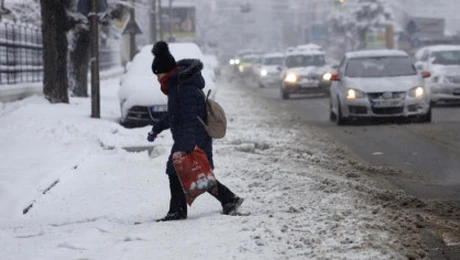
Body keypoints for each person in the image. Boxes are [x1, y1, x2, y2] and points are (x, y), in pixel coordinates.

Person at [147, 41, 244, 222]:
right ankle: (229, 200)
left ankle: (178, 211)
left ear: (166, 71)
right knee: (196, 174)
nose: (157, 78)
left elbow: (190, 118)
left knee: (180, 171)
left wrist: (188, 145)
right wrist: (156, 128)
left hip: (193, 139)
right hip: (189, 138)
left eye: (158, 74)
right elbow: (175, 115)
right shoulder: (178, 86)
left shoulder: (183, 88)